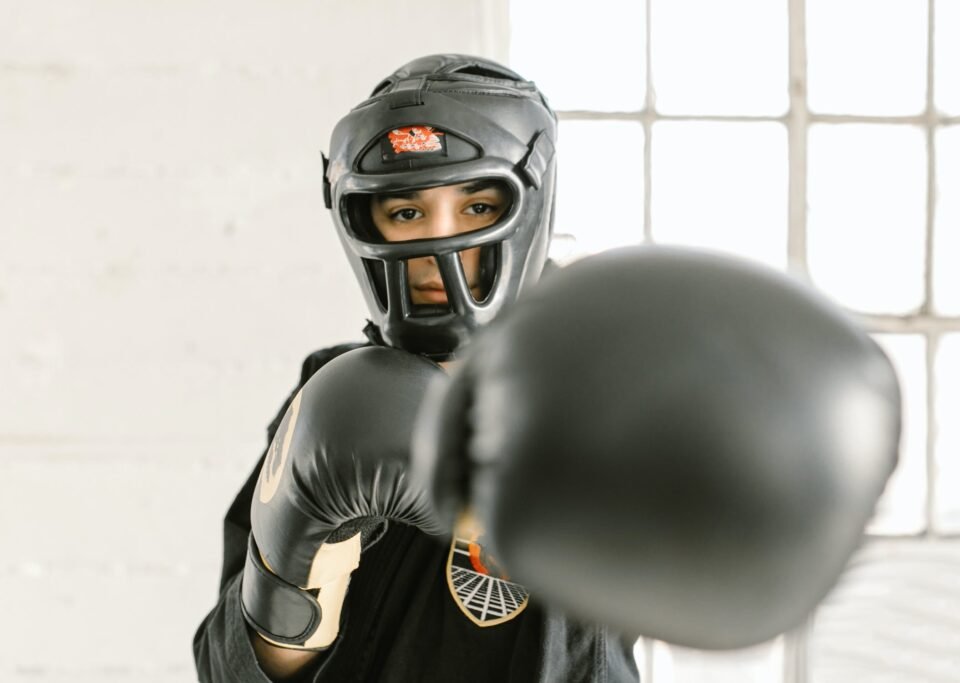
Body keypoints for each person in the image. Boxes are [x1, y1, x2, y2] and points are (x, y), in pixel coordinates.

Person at [193, 54, 640, 683]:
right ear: (362, 221)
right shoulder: (330, 397)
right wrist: (302, 559)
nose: (439, 245)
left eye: (478, 207)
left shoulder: (608, 388)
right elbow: (228, 673)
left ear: (531, 204)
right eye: (406, 213)